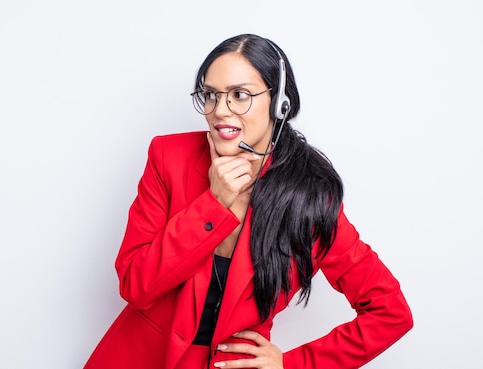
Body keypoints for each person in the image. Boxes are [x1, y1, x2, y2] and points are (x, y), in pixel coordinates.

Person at [83, 33, 413, 369]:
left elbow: (391, 314)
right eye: (210, 95)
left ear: (279, 102)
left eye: (240, 95)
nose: (219, 111)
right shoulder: (169, 158)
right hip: (137, 358)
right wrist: (214, 202)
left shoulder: (309, 199)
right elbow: (135, 286)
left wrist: (293, 364)